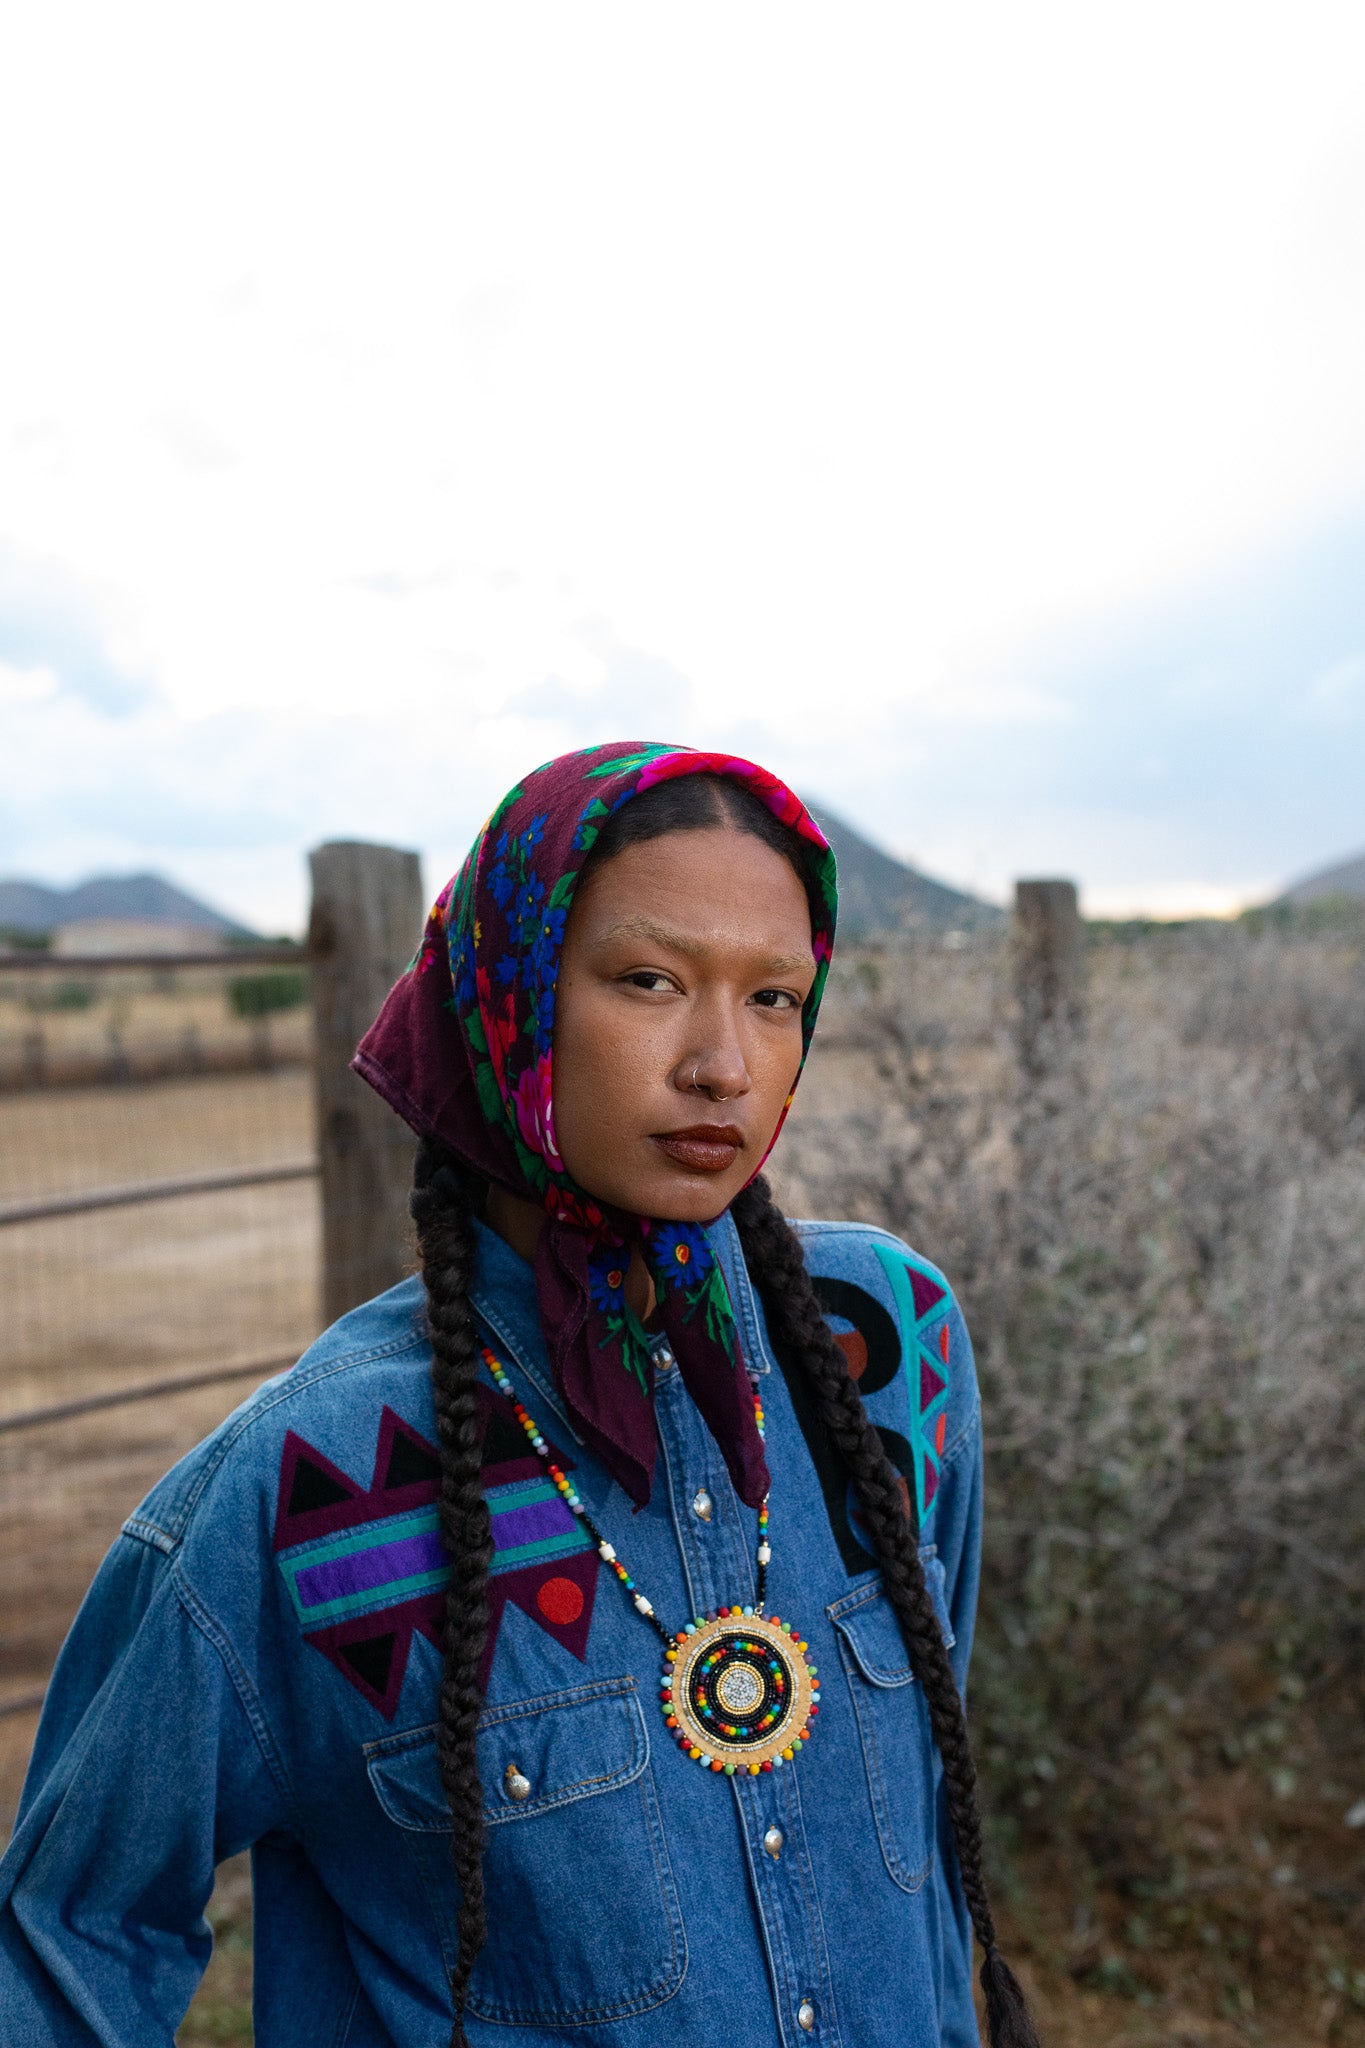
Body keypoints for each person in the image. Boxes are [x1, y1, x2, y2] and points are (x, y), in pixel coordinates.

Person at [0, 741, 1038, 2048]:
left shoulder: (883, 1348)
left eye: (773, 997)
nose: (723, 1063)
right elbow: (70, 1933)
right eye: (649, 981)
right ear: (512, 998)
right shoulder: (309, 1485)